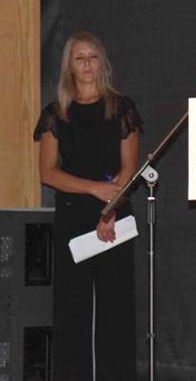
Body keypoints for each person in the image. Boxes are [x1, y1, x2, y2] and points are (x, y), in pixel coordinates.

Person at [34, 30, 142, 381]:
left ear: (102, 63)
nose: (86, 64)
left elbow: (129, 169)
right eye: (79, 58)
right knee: (71, 312)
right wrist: (94, 189)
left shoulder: (122, 108)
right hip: (72, 219)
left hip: (114, 217)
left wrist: (109, 209)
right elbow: (48, 173)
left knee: (116, 311)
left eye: (92, 57)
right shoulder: (55, 114)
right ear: (69, 66)